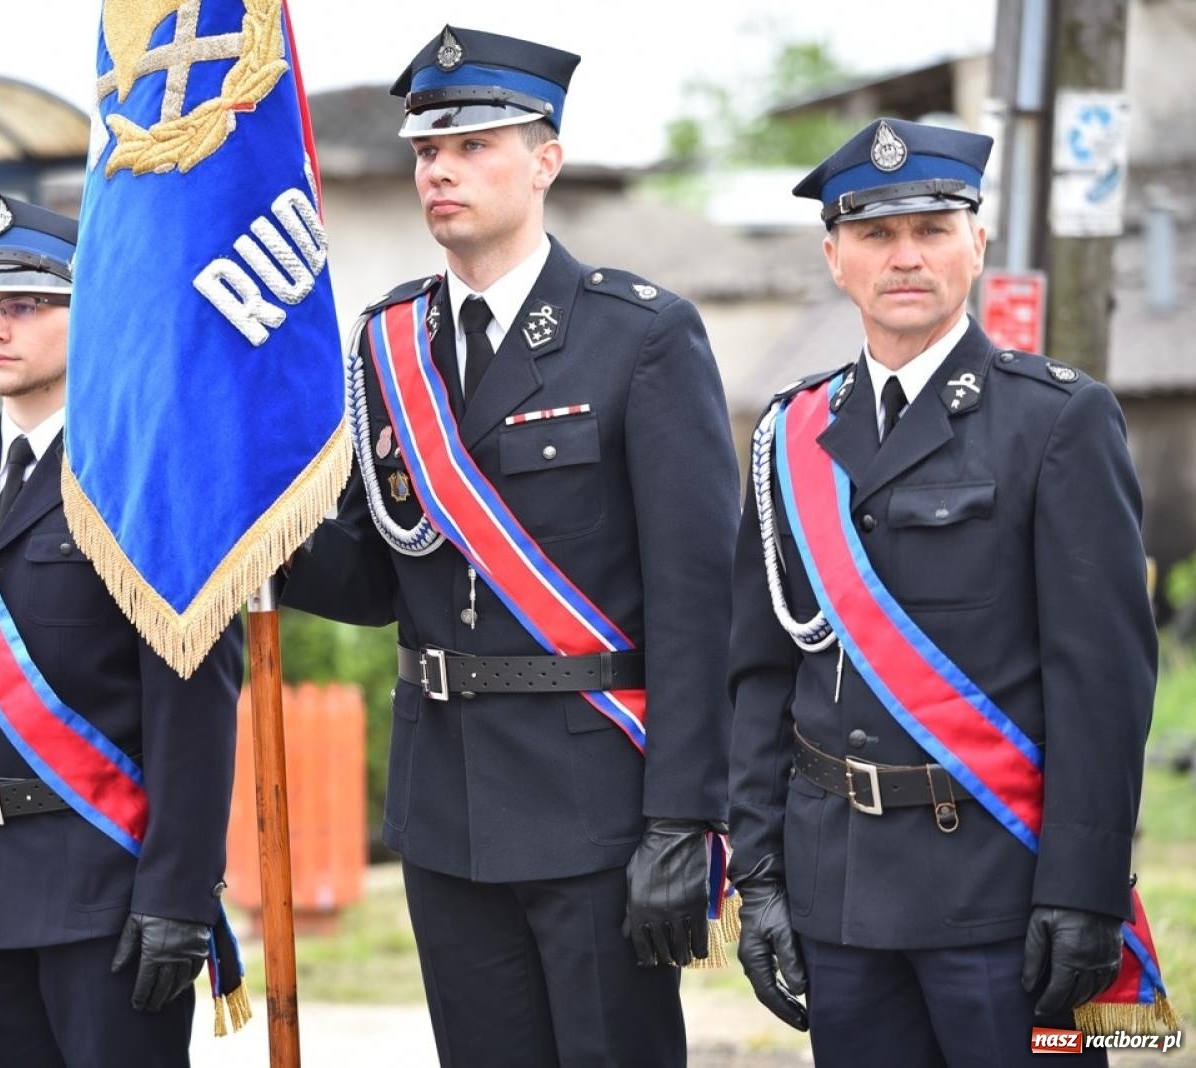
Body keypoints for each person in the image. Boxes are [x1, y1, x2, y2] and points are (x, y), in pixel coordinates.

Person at [283, 26, 740, 1066]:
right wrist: (253, 533)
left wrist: (684, 818)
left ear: (546, 161)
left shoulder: (639, 335)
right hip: (444, 802)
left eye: (473, 145)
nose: (439, 171)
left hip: (594, 796)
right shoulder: (387, 344)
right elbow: (376, 572)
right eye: (426, 151)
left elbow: (697, 600)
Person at [728, 118, 1156, 1067]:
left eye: (931, 228)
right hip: (838, 893)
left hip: (1005, 891)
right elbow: (759, 676)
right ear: (835, 258)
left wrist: (1085, 890)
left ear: (978, 243)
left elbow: (1103, 682)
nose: (906, 256)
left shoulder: (1058, 419)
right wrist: (756, 875)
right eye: (876, 234)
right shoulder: (789, 435)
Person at [0, 194, 244, 1068]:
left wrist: (179, 895)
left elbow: (194, 710)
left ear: (94, 314)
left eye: (26, 305)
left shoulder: (144, 479)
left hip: (106, 894)